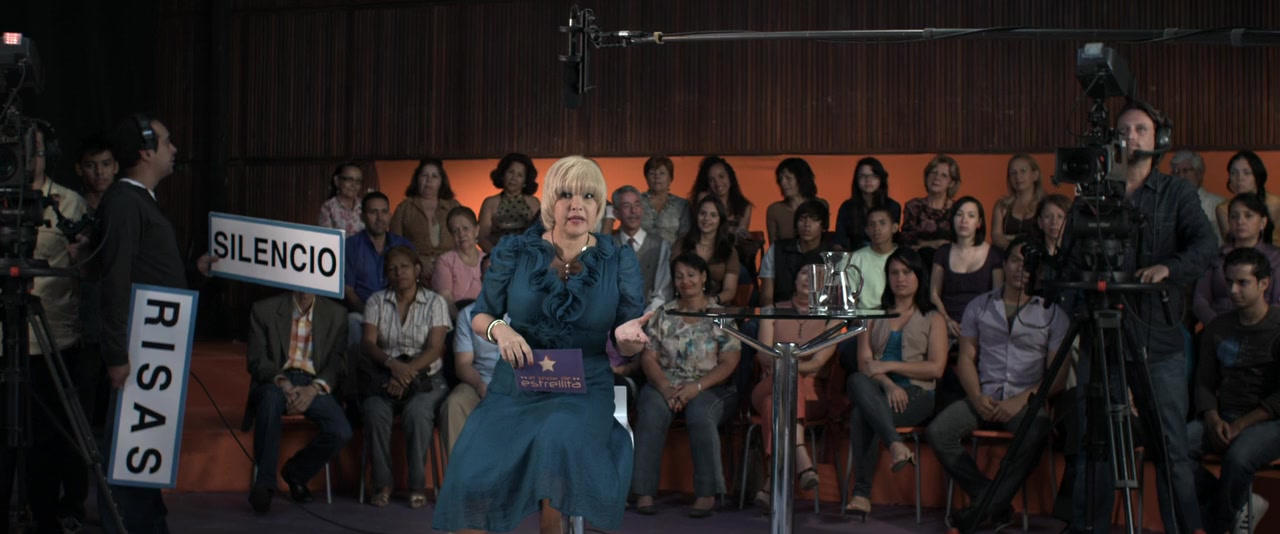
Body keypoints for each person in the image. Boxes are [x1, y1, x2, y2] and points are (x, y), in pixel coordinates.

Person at [433, 156, 651, 534]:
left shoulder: (618, 259)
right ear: (550, 201)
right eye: (566, 195)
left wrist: (626, 341)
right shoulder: (515, 251)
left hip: (583, 388)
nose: (577, 204)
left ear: (599, 206)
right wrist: (502, 331)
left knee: (555, 438)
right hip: (517, 385)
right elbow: (481, 315)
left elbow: (627, 339)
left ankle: (553, 524)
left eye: (588, 196)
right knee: (471, 472)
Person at [1066, 100, 1219, 534]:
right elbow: (1073, 257)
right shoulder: (1094, 194)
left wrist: (1170, 267)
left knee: (1169, 447)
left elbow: (1206, 246)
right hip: (1101, 334)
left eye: (1141, 129)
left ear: (1158, 140)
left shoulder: (1177, 194)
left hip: (1157, 335)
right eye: (1124, 130)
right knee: (1095, 443)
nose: (1131, 137)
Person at [93, 114, 217, 534]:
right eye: (167, 142)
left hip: (154, 341)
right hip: (137, 344)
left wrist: (194, 272)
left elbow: (149, 269)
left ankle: (147, 521)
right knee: (128, 442)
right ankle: (130, 524)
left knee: (145, 443)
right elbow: (115, 278)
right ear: (146, 151)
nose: (174, 149)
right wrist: (116, 354)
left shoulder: (139, 200)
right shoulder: (125, 202)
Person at [926, 236, 1070, 531]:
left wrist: (1020, 401)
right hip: (985, 394)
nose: (1021, 268)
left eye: (1028, 263)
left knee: (1036, 431)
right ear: (1004, 264)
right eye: (1015, 260)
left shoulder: (1053, 313)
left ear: (1038, 270)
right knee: (939, 431)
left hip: (1026, 400)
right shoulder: (979, 306)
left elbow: (1058, 376)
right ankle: (994, 502)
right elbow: (966, 358)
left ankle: (982, 509)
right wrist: (976, 397)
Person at [0, 126, 92, 532]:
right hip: (3, 341)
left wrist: (81, 253)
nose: (25, 156)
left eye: (31, 148)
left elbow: (87, 269)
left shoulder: (68, 203)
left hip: (52, 340)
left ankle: (47, 513)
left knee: (49, 440)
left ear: (43, 152)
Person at [631, 253, 741, 518]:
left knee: (700, 414)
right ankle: (643, 492)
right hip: (666, 383)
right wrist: (665, 387)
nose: (685, 281)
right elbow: (648, 357)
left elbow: (729, 361)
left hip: (711, 386)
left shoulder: (719, 315)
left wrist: (697, 387)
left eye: (691, 275)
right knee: (651, 411)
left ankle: (706, 494)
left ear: (703, 277)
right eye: (679, 276)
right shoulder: (664, 313)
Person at [844, 248, 947, 517]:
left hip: (918, 392)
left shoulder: (933, 318)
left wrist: (889, 366)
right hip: (877, 389)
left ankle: (861, 494)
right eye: (894, 273)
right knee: (856, 380)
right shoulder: (872, 315)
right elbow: (864, 364)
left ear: (919, 276)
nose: (900, 278)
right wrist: (889, 384)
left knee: (861, 414)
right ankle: (895, 444)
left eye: (907, 272)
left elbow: (936, 368)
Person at [1188, 247, 1280, 534]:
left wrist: (1240, 425)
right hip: (1223, 415)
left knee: (1238, 458)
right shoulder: (1218, 327)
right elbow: (1204, 382)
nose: (1232, 290)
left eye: (1242, 283)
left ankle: (1220, 526)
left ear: (1264, 284)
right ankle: (1236, 507)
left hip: (1269, 421)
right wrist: (1213, 418)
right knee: (1173, 448)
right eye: (1229, 282)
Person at [360, 246, 452, 509]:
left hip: (426, 376)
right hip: (385, 373)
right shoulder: (376, 301)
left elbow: (435, 348)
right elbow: (368, 343)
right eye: (392, 268)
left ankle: (417, 485)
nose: (399, 272)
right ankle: (382, 483)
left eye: (404, 266)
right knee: (374, 410)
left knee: (417, 413)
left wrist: (405, 374)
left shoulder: (435, 302)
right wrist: (392, 366)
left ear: (417, 269)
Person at [244, 291, 351, 514]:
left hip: (313, 383)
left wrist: (313, 389)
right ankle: (264, 484)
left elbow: (337, 363)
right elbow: (257, 359)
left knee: (341, 430)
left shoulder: (337, 314)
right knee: (270, 400)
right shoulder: (263, 309)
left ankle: (296, 473)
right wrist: (283, 383)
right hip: (276, 380)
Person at [749, 267, 841, 511]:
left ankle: (772, 481)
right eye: (804, 273)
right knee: (787, 380)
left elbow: (819, 363)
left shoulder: (832, 318)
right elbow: (762, 355)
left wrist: (786, 364)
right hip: (768, 383)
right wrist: (791, 367)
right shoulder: (772, 311)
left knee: (775, 400)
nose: (809, 279)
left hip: (811, 395)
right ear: (794, 278)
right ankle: (800, 453)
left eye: (817, 275)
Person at [441, 255, 499, 456]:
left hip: (517, 383)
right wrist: (480, 385)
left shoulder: (527, 311)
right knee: (454, 404)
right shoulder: (467, 315)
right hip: (479, 381)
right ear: (481, 279)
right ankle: (458, 474)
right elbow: (463, 364)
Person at [343, 191, 414, 352]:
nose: (379, 217)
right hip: (363, 313)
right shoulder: (350, 246)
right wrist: (372, 316)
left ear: (389, 215)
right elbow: (349, 291)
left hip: (400, 314)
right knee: (352, 321)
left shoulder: (404, 246)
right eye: (373, 212)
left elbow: (412, 286)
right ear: (362, 217)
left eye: (384, 212)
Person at [1194, 194, 1280, 326]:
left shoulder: (1276, 257)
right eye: (1234, 216)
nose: (1240, 221)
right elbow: (1200, 300)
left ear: (1263, 222)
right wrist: (1218, 326)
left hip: (1263, 329)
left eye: (1248, 216)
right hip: (1219, 326)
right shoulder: (1216, 256)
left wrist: (1258, 328)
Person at [929, 196, 1004, 338]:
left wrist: (974, 323)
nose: (964, 220)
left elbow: (997, 296)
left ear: (979, 222)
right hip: (946, 324)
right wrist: (947, 320)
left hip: (982, 325)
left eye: (971, 215)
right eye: (959, 214)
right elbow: (934, 295)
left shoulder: (994, 254)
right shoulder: (942, 253)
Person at [391, 158, 462, 282]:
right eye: (424, 175)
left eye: (434, 176)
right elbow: (395, 245)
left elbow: (464, 239)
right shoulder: (404, 208)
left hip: (451, 270)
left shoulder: (453, 207)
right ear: (417, 179)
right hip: (415, 272)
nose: (429, 180)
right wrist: (417, 260)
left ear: (441, 181)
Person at [758, 200, 834, 307]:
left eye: (814, 220)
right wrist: (771, 313)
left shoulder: (832, 254)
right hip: (781, 311)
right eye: (802, 219)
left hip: (820, 313)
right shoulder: (777, 250)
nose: (807, 225)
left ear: (823, 226)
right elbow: (766, 296)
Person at [612, 185, 674, 313]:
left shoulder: (660, 245)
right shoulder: (608, 245)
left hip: (649, 318)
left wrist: (643, 318)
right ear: (616, 213)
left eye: (637, 205)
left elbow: (662, 293)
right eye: (626, 206)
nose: (633, 211)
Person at [673, 196, 741, 306]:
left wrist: (712, 301)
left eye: (713, 215)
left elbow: (730, 290)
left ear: (720, 220)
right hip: (684, 304)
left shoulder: (729, 251)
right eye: (703, 214)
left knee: (718, 318)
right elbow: (673, 280)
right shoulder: (681, 245)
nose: (706, 219)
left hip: (716, 305)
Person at [901, 154, 961, 266]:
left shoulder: (958, 209)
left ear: (951, 183)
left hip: (951, 264)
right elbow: (907, 242)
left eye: (944, 175)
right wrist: (937, 243)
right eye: (933, 172)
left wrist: (924, 244)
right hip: (919, 264)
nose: (936, 178)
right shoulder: (913, 206)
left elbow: (962, 244)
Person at [834, 156, 902, 252]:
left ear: (881, 179)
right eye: (863, 176)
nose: (868, 180)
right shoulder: (847, 207)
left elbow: (894, 240)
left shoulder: (893, 206)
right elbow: (839, 240)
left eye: (873, 176)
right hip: (854, 256)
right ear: (856, 180)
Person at [478, 153, 541, 252]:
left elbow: (540, 234)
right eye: (511, 172)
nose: (513, 178)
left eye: (520, 175)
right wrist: (496, 255)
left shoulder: (533, 203)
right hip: (496, 255)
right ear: (502, 175)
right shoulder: (490, 203)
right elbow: (482, 237)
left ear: (525, 181)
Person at [1215, 150, 1280, 245]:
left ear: (1257, 176)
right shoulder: (1223, 209)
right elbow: (1231, 243)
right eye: (1234, 173)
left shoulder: (1276, 204)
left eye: (1246, 173)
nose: (1239, 179)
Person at [432, 206, 484, 316]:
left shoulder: (489, 260)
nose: (461, 235)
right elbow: (445, 300)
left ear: (476, 230)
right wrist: (462, 322)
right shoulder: (445, 261)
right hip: (458, 317)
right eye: (455, 231)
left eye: (466, 228)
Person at [689, 156, 754, 242]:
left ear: (730, 177)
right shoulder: (704, 199)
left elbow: (740, 238)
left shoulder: (745, 206)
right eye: (711, 180)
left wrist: (740, 234)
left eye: (721, 176)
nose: (718, 183)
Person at [849, 207, 900, 311]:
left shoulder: (905, 257)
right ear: (867, 230)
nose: (876, 228)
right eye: (872, 224)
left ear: (894, 227)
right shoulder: (855, 259)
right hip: (865, 317)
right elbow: (849, 299)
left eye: (882, 223)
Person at [765, 157, 828, 243]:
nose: (783, 183)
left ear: (801, 179)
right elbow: (773, 246)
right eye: (780, 179)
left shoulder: (820, 205)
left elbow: (823, 240)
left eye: (788, 178)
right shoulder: (774, 210)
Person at [990, 154, 1046, 249]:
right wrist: (1013, 250)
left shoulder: (1046, 204)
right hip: (1007, 255)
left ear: (1035, 175)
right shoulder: (1002, 206)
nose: (1018, 176)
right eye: (1013, 173)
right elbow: (996, 235)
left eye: (1023, 171)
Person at [1171, 150, 1225, 246]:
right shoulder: (1166, 203)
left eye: (1185, 171)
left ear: (1199, 173)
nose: (1180, 176)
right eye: (1176, 172)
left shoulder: (1217, 204)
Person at [640, 156, 691, 244]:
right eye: (652, 173)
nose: (657, 177)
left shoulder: (682, 205)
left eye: (662, 173)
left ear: (670, 178)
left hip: (673, 251)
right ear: (646, 178)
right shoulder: (636, 202)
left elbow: (685, 235)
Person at [318, 161, 366, 235]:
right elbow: (326, 237)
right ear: (337, 181)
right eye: (349, 180)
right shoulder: (328, 207)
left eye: (358, 181)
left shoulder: (365, 206)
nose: (354, 185)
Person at [76, 132, 117, 211]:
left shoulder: (127, 205)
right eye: (90, 165)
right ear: (79, 169)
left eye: (106, 164)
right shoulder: (70, 206)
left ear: (116, 167)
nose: (99, 172)